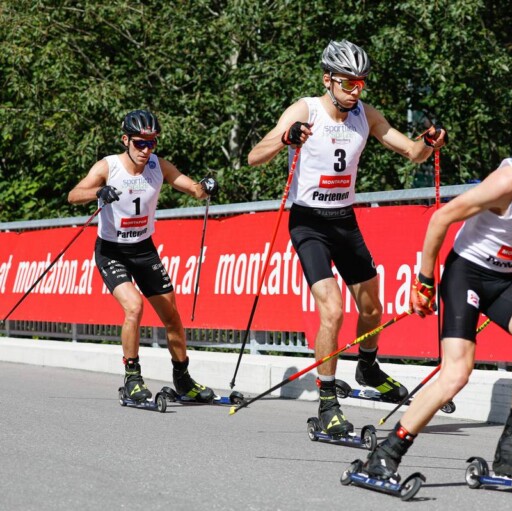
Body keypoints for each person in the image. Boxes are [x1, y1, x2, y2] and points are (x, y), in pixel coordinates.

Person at [363, 101, 512, 482]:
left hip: (508, 278)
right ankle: (388, 451)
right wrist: (424, 281)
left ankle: (511, 450)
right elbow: (442, 217)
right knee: (456, 373)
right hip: (469, 273)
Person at [247, 40, 446, 436]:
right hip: (309, 223)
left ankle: (368, 366)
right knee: (333, 310)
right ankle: (326, 404)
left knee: (373, 308)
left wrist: (429, 140)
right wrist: (286, 137)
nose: (357, 91)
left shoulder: (365, 115)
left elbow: (412, 152)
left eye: (361, 83)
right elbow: (255, 155)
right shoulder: (306, 110)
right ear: (328, 80)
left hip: (344, 221)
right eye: (349, 84)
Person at [67, 109, 220, 403]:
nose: (146, 149)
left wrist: (207, 186)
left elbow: (194, 189)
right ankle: (133, 377)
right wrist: (99, 192)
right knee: (134, 307)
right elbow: (74, 194)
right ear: (126, 140)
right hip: (111, 251)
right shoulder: (108, 166)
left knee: (172, 317)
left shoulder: (158, 166)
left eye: (152, 143)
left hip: (143, 249)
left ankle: (183, 380)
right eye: (139, 143)